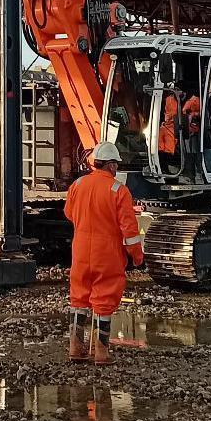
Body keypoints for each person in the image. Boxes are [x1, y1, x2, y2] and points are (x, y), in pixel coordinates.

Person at [64, 141, 144, 365]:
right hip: (106, 254)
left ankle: (76, 348)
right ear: (111, 165)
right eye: (115, 164)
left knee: (78, 297)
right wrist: (136, 256)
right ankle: (101, 352)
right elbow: (129, 230)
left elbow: (69, 213)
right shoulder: (119, 190)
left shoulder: (78, 185)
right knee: (104, 300)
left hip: (80, 252)